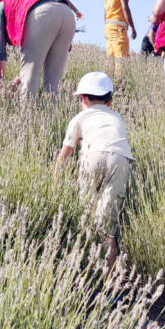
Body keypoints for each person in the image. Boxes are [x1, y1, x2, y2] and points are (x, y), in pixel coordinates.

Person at [54, 72, 134, 266]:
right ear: (110, 101)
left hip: (92, 156)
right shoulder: (116, 117)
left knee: (86, 211)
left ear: (83, 99)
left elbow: (64, 155)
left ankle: (84, 265)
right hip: (120, 159)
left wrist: (55, 182)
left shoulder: (80, 117)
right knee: (108, 222)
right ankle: (109, 277)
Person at [0, 0, 76, 98]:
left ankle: (26, 111)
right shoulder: (15, 0)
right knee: (54, 80)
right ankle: (50, 110)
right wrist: (19, 78)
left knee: (30, 80)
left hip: (42, 12)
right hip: (67, 14)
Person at [104, 0, 136, 79]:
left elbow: (105, 12)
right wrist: (132, 26)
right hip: (119, 28)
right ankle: (119, 85)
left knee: (110, 57)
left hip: (108, 27)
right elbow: (125, 7)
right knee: (121, 58)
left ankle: (109, 83)